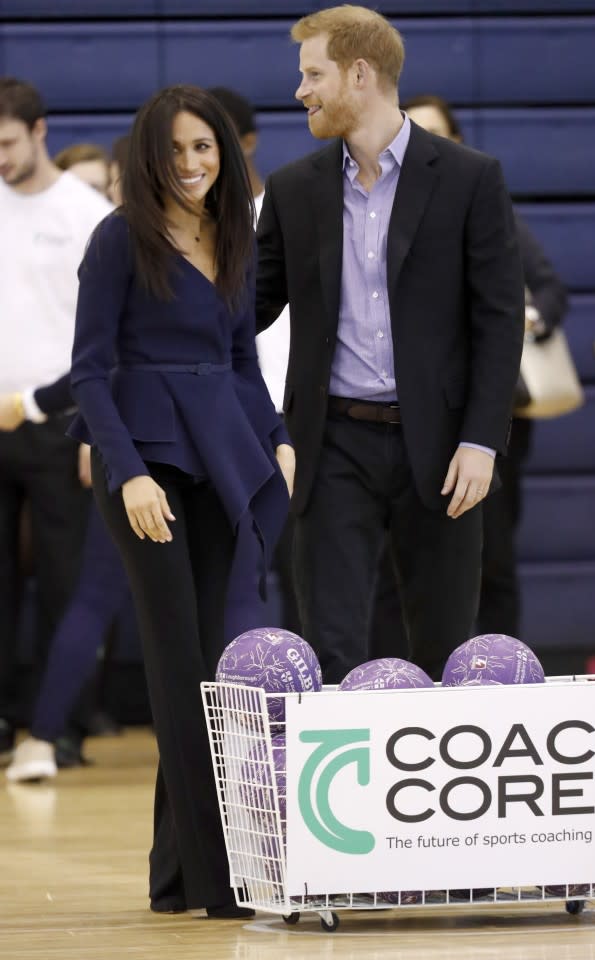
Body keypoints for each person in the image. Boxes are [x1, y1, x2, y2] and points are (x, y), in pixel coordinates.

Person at [69, 84, 292, 917]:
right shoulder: (118, 238)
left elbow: (243, 363)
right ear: (147, 156)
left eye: (205, 148)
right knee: (180, 670)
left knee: (210, 669)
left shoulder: (235, 232)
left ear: (226, 153)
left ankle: (175, 878)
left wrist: (277, 438)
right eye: (175, 150)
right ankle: (223, 879)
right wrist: (127, 473)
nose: (192, 165)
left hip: (225, 459)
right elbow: (90, 370)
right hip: (147, 466)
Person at [256, 6, 524, 684]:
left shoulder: (470, 178)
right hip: (334, 441)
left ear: (360, 73)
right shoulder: (292, 189)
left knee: (443, 646)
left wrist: (482, 439)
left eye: (312, 74)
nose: (301, 91)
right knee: (332, 646)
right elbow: (247, 308)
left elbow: (499, 320)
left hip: (440, 447)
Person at [398, 93, 568, 640]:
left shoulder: (488, 205)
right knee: (410, 560)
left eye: (438, 134)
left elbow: (548, 290)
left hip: (493, 412)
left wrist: (518, 319)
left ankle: (502, 677)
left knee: (493, 553)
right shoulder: (379, 215)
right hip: (412, 416)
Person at [0, 77, 112, 763]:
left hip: (58, 415)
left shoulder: (86, 212)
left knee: (66, 578)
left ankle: (57, 723)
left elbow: (105, 332)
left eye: (7, 142)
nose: (0, 156)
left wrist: (94, 425)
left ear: (40, 132)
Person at [208, 86, 301, 638]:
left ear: (247, 141)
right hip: (225, 421)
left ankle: (308, 707)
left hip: (296, 414)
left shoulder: (291, 209)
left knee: (304, 572)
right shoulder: (191, 232)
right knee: (234, 575)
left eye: (217, 141)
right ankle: (232, 712)